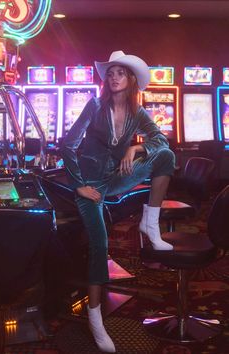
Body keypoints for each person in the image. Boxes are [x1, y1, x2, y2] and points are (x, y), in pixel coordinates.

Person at [61, 50, 175, 353]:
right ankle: (95, 319)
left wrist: (134, 150)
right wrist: (79, 185)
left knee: (166, 155)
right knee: (100, 245)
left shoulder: (137, 112)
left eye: (120, 73)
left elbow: (160, 140)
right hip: (90, 187)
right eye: (110, 73)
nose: (113, 77)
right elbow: (67, 144)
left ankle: (149, 225)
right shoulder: (95, 106)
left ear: (131, 80)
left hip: (113, 178)